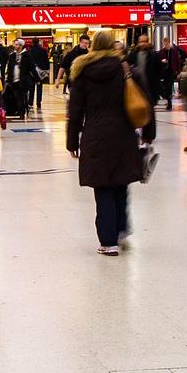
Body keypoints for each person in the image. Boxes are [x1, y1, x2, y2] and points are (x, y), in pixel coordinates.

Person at [66, 30, 155, 256]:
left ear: (92, 45)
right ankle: (121, 228)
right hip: (123, 133)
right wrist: (148, 133)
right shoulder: (125, 69)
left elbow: (75, 111)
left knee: (103, 187)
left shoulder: (82, 71)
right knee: (121, 182)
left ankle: (108, 241)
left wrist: (71, 140)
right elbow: (144, 101)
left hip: (95, 134)